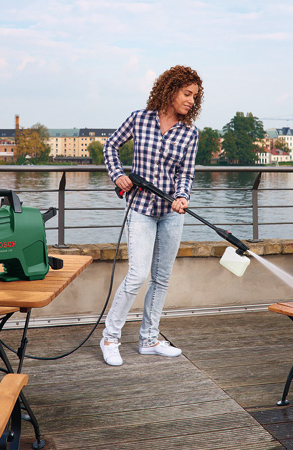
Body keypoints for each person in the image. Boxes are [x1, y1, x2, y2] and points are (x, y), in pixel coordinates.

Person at [100, 65, 203, 366]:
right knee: (137, 275)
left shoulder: (190, 133)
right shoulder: (139, 119)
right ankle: (109, 338)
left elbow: (186, 173)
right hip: (141, 210)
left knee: (161, 278)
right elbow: (111, 147)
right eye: (187, 94)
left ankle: (149, 340)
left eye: (195, 97)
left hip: (171, 213)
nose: (191, 101)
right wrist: (117, 175)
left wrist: (182, 196)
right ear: (171, 90)